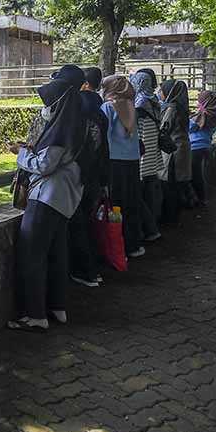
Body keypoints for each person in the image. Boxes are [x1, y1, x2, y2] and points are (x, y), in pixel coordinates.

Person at [7, 65, 87, 331]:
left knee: (32, 255)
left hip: (46, 198)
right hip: (65, 200)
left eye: (49, 103)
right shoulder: (78, 124)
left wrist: (20, 154)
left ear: (58, 104)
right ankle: (57, 306)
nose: (46, 108)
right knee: (56, 254)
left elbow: (44, 165)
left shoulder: (61, 130)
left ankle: (35, 315)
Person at [69, 67, 109, 287]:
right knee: (88, 221)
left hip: (79, 175)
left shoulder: (78, 105)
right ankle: (93, 268)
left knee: (77, 224)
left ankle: (86, 271)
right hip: (96, 175)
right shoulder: (101, 109)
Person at [101, 75, 144, 259]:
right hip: (132, 161)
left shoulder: (107, 107)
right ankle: (132, 244)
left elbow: (103, 136)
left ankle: (117, 248)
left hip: (114, 161)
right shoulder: (132, 106)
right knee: (131, 201)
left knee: (115, 205)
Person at [131, 71, 163, 242]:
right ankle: (154, 224)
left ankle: (147, 228)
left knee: (141, 192)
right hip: (153, 147)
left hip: (143, 147)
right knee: (151, 188)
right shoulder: (154, 99)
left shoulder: (140, 102)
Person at [159, 79, 193, 224]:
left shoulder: (171, 108)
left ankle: (170, 218)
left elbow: (164, 129)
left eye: (162, 90)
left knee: (170, 185)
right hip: (183, 148)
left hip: (173, 152)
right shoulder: (183, 107)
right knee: (178, 185)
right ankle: (175, 216)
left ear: (169, 91)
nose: (159, 93)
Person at [189, 90, 216, 206]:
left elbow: (189, 127)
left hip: (194, 148)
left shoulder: (200, 116)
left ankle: (199, 199)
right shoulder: (214, 116)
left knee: (196, 175)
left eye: (199, 101)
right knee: (202, 174)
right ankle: (203, 197)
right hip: (207, 146)